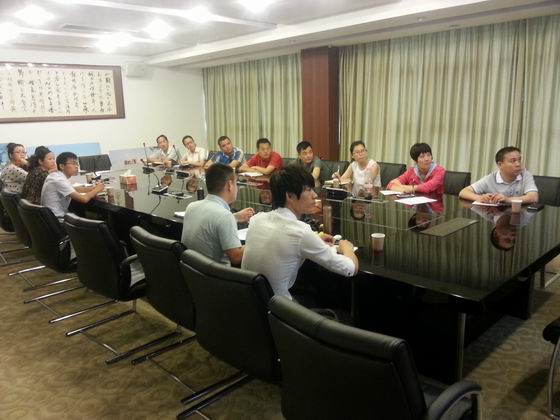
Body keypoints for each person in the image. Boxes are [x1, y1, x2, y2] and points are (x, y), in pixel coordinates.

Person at [241, 165, 358, 300]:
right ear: (289, 196)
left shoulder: (257, 219)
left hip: (248, 303)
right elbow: (349, 269)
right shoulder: (300, 232)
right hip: (278, 308)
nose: (315, 195)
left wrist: (314, 239)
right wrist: (347, 248)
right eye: (308, 190)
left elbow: (282, 239)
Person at [181, 163, 254, 266]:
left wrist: (234, 217)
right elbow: (236, 257)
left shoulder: (191, 207)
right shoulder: (224, 216)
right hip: (215, 275)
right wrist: (256, 240)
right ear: (229, 185)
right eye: (236, 183)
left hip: (191, 271)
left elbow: (211, 222)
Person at [459, 146, 539, 204]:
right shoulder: (491, 178)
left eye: (519, 160)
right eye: (513, 161)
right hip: (496, 215)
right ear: (500, 164)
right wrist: (480, 198)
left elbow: (533, 197)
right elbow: (463, 192)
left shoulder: (525, 175)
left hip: (518, 216)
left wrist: (507, 199)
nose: (518, 164)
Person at [41, 152, 105, 220]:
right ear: (62, 166)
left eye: (77, 164)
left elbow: (73, 189)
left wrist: (93, 188)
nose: (77, 166)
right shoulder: (58, 180)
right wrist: (96, 190)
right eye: (73, 163)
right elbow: (84, 199)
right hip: (57, 219)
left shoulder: (56, 176)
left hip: (52, 217)